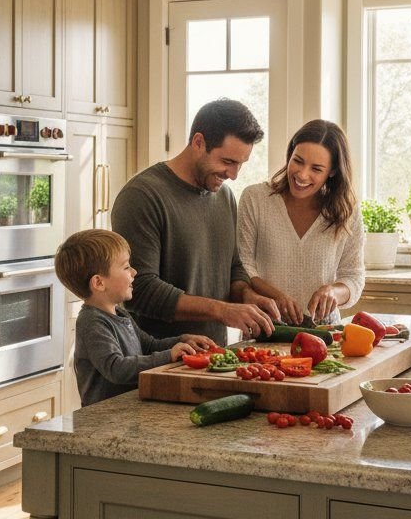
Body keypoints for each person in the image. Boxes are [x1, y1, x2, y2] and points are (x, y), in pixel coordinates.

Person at [110, 98, 279, 347]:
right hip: (160, 361)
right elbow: (140, 290)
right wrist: (222, 311)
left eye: (240, 164)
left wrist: (246, 296)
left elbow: (233, 266)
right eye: (228, 162)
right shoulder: (142, 196)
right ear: (199, 142)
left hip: (214, 357)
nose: (233, 175)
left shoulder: (224, 196)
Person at [55, 228, 217, 407]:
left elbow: (148, 346)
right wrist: (169, 355)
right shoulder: (92, 322)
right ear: (99, 283)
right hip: (105, 418)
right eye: (126, 267)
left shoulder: (121, 313)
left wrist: (182, 341)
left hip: (128, 410)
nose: (134, 272)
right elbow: (116, 368)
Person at [237, 118, 365, 324]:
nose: (302, 174)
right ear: (290, 155)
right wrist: (278, 297)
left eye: (316, 169)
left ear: (332, 172)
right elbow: (243, 265)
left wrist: (333, 292)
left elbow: (354, 277)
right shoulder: (255, 198)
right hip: (266, 328)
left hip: (325, 333)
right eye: (298, 161)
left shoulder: (346, 211)